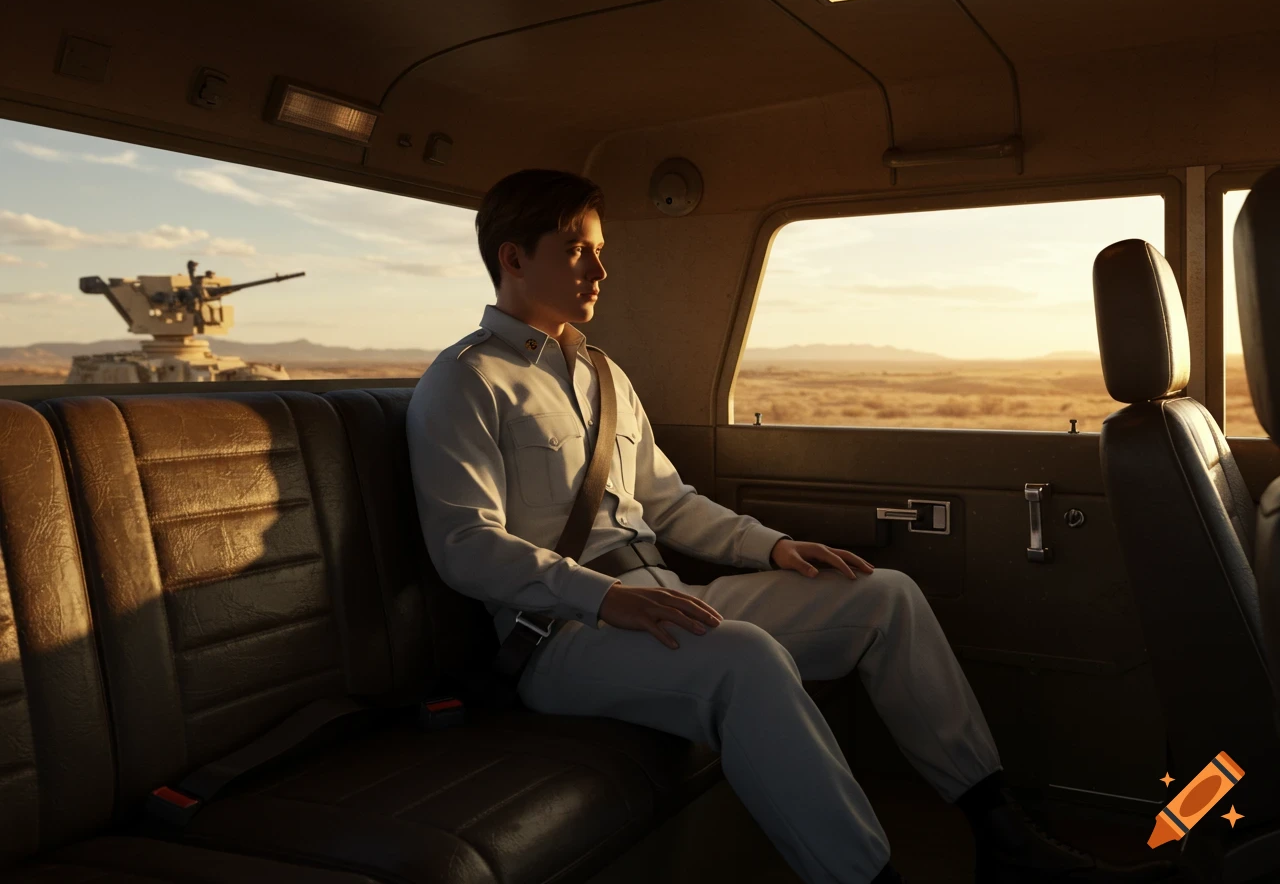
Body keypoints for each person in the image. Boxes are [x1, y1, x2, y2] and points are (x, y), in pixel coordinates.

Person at [405, 169, 1181, 884]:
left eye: (600, 252)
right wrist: (605, 600)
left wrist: (770, 547)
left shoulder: (605, 374)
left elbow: (669, 502)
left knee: (885, 596)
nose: (600, 271)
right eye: (578, 250)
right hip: (561, 640)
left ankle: (1001, 835)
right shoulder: (466, 382)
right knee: (742, 657)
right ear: (513, 257)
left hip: (670, 600)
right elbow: (466, 546)